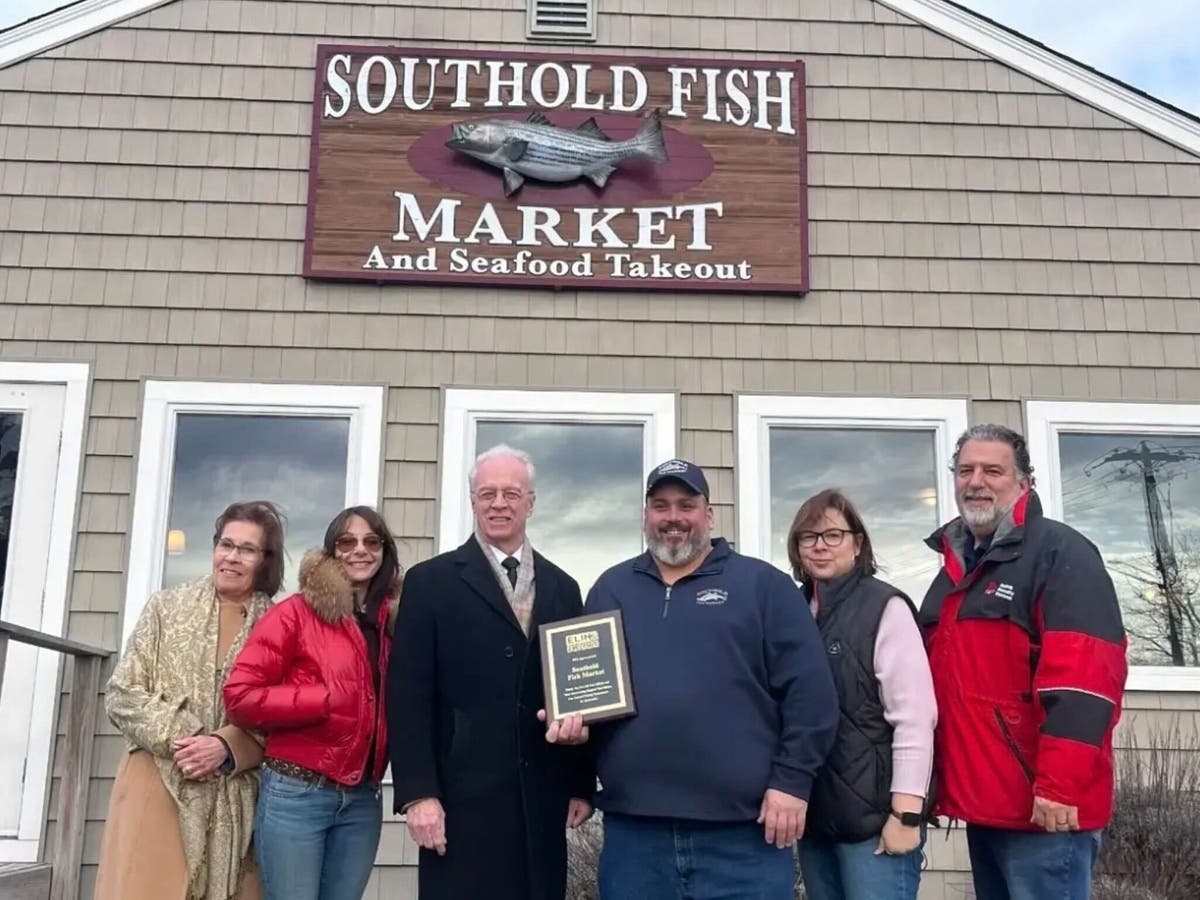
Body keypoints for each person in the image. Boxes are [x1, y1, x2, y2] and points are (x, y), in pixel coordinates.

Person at [566, 458, 838, 900]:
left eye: (686, 505)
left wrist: (792, 783)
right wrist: (574, 755)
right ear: (646, 516)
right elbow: (586, 693)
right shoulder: (610, 590)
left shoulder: (763, 587)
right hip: (636, 839)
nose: (673, 517)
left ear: (708, 515)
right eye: (660, 506)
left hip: (744, 838)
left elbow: (812, 697)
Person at [919, 424, 1127, 900]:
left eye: (993, 470)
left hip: (1043, 809)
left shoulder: (1059, 553)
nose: (977, 481)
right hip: (986, 803)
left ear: (1024, 482)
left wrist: (1059, 785)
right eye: (966, 470)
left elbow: (1086, 679)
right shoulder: (959, 567)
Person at [387, 444, 595, 900]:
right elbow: (407, 696)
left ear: (531, 503)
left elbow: (577, 688)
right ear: (473, 501)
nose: (499, 503)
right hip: (460, 802)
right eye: (487, 494)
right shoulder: (430, 582)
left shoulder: (564, 587)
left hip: (540, 799)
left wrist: (581, 783)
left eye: (511, 493)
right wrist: (419, 795)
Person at [96, 500, 286, 900]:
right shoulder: (165, 608)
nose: (232, 557)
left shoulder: (282, 625)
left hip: (234, 797)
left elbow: (282, 715)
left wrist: (225, 747)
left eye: (247, 549)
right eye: (226, 544)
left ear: (265, 560)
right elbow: (121, 693)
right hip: (158, 782)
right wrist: (189, 739)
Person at [223, 506, 401, 900]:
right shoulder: (295, 615)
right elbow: (240, 696)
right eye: (347, 541)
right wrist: (320, 700)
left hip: (361, 800)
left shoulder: (394, 625)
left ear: (384, 551)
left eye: (371, 541)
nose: (360, 550)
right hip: (296, 794)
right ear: (331, 551)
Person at [788, 489, 937, 900]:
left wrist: (906, 813)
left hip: (874, 822)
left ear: (857, 544)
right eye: (808, 536)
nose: (820, 546)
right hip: (814, 818)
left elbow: (914, 716)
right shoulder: (793, 612)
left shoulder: (884, 608)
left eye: (833, 535)